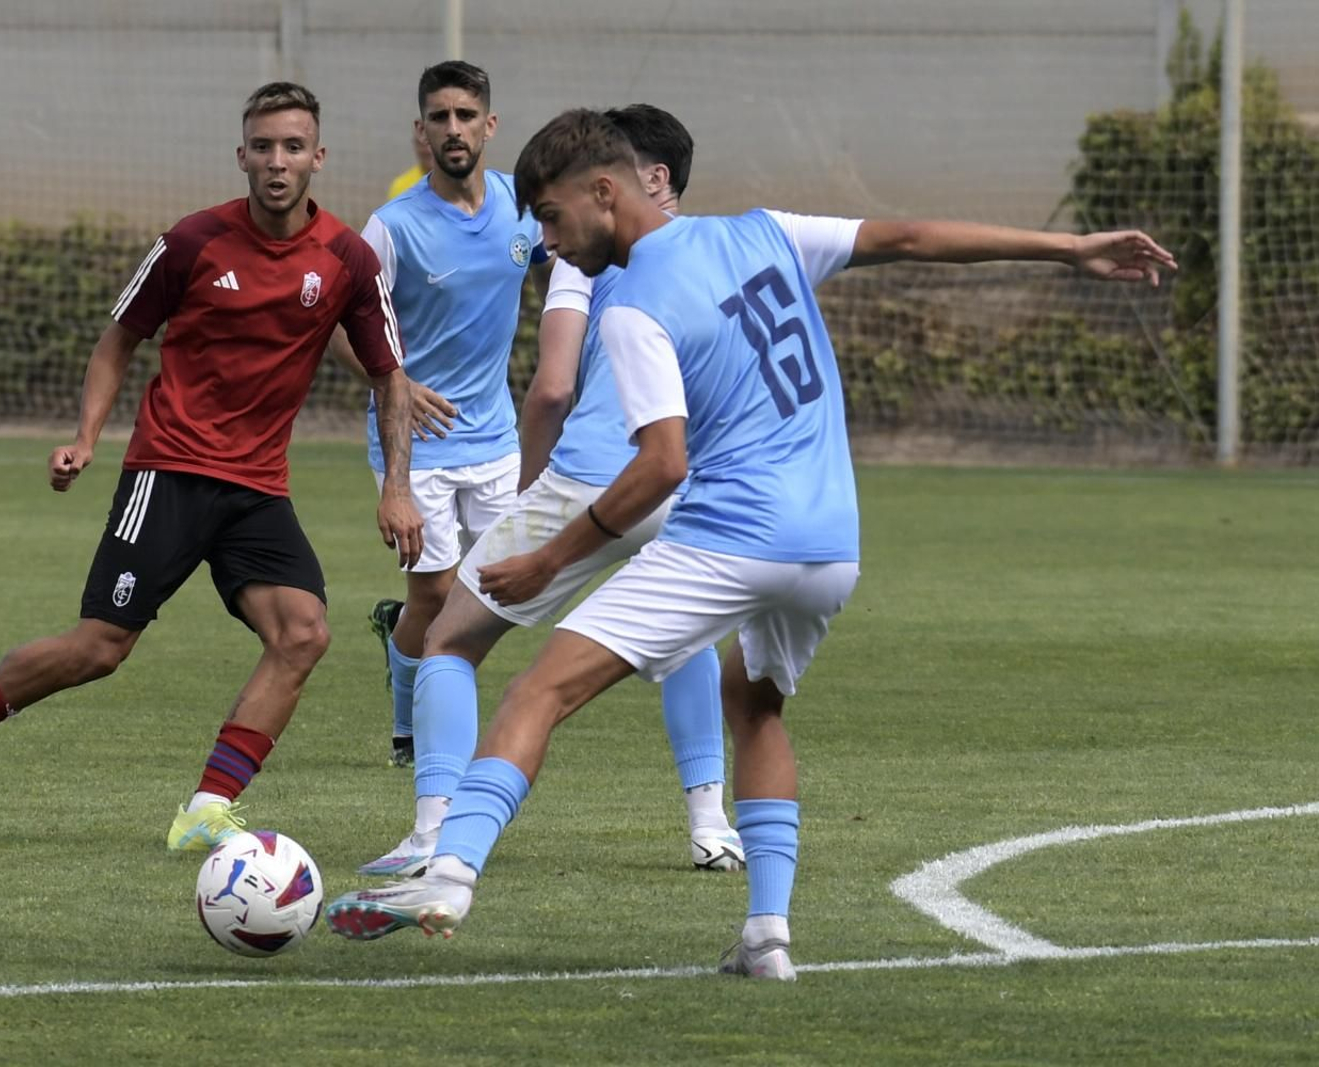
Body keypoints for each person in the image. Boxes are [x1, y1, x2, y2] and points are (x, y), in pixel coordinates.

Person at [324, 108, 1176, 978]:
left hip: (732, 536)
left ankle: (450, 872)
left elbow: (660, 465)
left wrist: (550, 558)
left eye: (548, 215)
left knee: (537, 692)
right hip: (831, 547)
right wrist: (1071, 249)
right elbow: (911, 236)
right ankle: (768, 933)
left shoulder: (632, 305)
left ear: (604, 192)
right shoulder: (767, 231)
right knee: (756, 703)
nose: (543, 240)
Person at [0, 82, 423, 851]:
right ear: (241, 155)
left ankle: (207, 806)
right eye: (262, 146)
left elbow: (389, 374)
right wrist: (86, 436)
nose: (277, 161)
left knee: (303, 633)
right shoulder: (194, 241)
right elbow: (118, 341)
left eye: (293, 147)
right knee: (101, 646)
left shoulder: (345, 259)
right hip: (169, 468)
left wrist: (397, 487)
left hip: (258, 487)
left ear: (318, 158)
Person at [354, 104, 743, 881]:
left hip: (592, 477)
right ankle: (711, 826)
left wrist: (528, 490)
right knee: (686, 641)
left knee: (449, 639)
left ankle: (434, 830)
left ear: (643, 178)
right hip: (688, 485)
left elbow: (552, 389)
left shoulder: (584, 259)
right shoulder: (723, 252)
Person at [337, 60, 550, 770]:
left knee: (493, 595)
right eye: (439, 117)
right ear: (420, 130)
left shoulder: (527, 206)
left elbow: (575, 268)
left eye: (466, 116)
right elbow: (335, 324)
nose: (453, 129)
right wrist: (393, 378)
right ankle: (418, 731)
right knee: (433, 592)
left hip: (494, 438)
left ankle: (423, 678)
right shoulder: (391, 227)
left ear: (490, 125)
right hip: (415, 442)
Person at [385, 124, 435, 200]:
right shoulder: (401, 186)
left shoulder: (457, 182)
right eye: (421, 144)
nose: (428, 150)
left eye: (432, 143)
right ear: (414, 145)